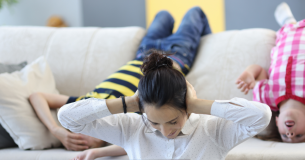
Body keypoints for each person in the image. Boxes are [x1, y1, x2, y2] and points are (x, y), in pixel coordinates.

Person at [29, 6, 210, 152]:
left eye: (78, 133)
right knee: (196, 12)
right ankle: (208, 42)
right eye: (82, 142)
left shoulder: (88, 104)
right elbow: (139, 141)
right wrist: (96, 149)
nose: (81, 136)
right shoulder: (140, 115)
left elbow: (37, 96)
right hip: (177, 56)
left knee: (163, 15)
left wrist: (57, 131)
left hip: (144, 53)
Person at [236, 2, 305, 143]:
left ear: (277, 122)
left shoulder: (266, 99)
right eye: (299, 136)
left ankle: (288, 21)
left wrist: (249, 74)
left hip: (287, 37)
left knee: (287, 29)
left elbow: (259, 71)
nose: (290, 135)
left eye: (284, 136)